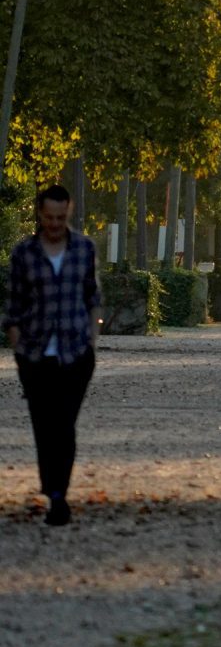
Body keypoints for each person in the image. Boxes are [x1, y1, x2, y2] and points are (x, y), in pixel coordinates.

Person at [5, 183, 99, 526]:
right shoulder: (24, 253)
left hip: (76, 352)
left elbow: (92, 296)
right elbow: (13, 305)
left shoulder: (84, 249)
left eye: (60, 217)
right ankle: (53, 489)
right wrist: (18, 347)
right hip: (35, 353)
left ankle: (58, 493)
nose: (55, 224)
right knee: (44, 425)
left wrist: (92, 340)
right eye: (49, 218)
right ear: (40, 214)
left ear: (68, 212)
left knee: (64, 424)